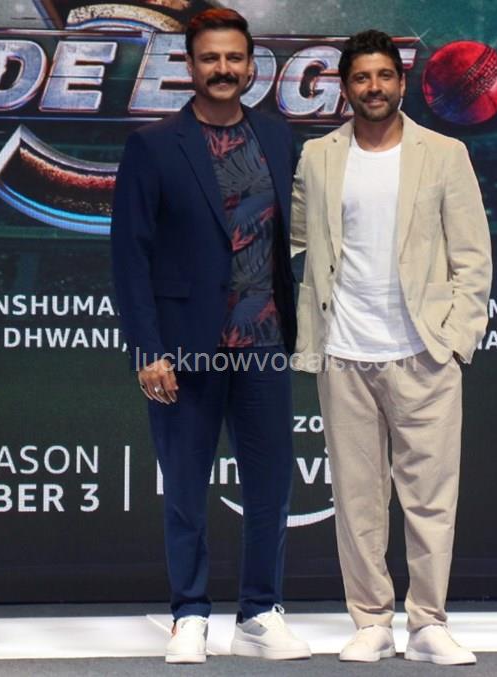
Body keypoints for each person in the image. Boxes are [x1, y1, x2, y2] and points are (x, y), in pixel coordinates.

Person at [111, 8, 310, 664]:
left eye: (233, 58)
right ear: (189, 66)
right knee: (185, 488)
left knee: (270, 486)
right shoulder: (152, 146)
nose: (223, 69)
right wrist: (148, 350)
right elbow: (131, 257)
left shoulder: (278, 136)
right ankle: (189, 613)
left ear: (251, 66)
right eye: (209, 58)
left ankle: (260, 612)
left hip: (264, 344)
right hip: (183, 349)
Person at [291, 29, 492, 665]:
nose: (373, 87)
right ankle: (371, 621)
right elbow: (293, 239)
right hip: (344, 353)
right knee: (357, 502)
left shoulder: (446, 154)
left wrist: (455, 340)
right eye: (361, 77)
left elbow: (473, 256)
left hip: (423, 354)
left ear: (401, 83)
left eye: (383, 76)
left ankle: (429, 622)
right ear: (344, 87)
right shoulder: (317, 156)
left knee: (431, 501)